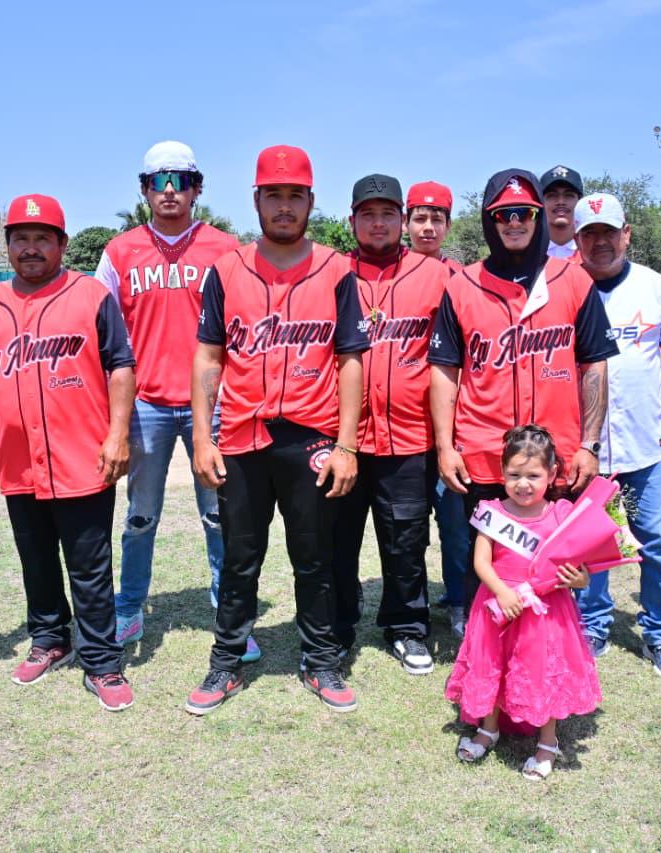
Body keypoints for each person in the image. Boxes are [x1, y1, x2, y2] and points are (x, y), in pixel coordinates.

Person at [184, 145, 368, 715]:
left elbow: (351, 360)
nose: (284, 207)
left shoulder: (337, 268)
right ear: (257, 200)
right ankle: (227, 660)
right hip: (242, 435)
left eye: (295, 196)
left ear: (311, 201)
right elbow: (208, 357)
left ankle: (320, 660)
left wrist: (346, 445)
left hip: (310, 436)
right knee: (240, 557)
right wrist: (201, 437)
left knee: (314, 555)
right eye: (273, 196)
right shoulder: (227, 268)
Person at [0, 194, 137, 708]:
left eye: (42, 238)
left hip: (82, 456)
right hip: (18, 457)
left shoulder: (92, 295)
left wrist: (117, 434)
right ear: (8, 245)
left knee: (89, 564)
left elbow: (121, 366)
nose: (30, 249)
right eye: (21, 239)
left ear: (61, 244)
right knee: (34, 558)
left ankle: (101, 660)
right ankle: (50, 639)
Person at [428, 169, 617, 610]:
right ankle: (487, 658)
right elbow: (444, 372)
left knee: (553, 569)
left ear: (539, 217)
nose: (514, 222)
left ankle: (544, 660)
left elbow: (594, 364)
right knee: (488, 567)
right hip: (484, 457)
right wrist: (444, 447)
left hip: (555, 460)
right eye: (503, 214)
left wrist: (590, 444)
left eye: (524, 213)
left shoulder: (572, 280)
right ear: (489, 221)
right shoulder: (463, 285)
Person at [93, 142, 247, 656]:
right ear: (143, 190)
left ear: (197, 187)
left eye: (179, 181)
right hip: (147, 406)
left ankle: (229, 611)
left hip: (213, 404)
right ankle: (130, 607)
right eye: (157, 182)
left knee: (219, 513)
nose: (168, 192)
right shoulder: (119, 252)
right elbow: (101, 332)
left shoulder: (227, 249)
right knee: (141, 514)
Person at [569, 193, 661, 676]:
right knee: (593, 545)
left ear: (627, 234)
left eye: (608, 231)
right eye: (589, 233)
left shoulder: (655, 287)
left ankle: (660, 634)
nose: (600, 242)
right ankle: (592, 625)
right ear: (577, 240)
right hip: (588, 452)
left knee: (659, 544)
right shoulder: (565, 289)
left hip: (645, 448)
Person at [331, 174, 449, 674]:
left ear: (402, 219)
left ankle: (406, 626)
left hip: (409, 434)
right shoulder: (329, 274)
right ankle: (334, 627)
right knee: (335, 537)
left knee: (405, 538)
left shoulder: (436, 275)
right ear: (352, 219)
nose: (377, 222)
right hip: (342, 436)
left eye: (387, 213)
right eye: (367, 213)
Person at [444, 425, 600, 781]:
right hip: (498, 605)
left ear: (552, 474)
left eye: (533, 475)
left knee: (541, 672)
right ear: (502, 474)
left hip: (544, 613)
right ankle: (488, 728)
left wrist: (578, 579)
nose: (523, 483)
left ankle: (548, 741)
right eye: (514, 475)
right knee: (493, 666)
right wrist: (501, 591)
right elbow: (481, 562)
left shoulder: (561, 514)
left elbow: (582, 571)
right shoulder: (491, 512)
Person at [406, 180, 468, 637]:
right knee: (407, 528)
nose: (428, 227)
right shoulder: (382, 274)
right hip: (403, 427)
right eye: (420, 218)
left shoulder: (461, 278)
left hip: (451, 425)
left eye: (437, 219)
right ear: (407, 223)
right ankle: (411, 606)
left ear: (447, 226)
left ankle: (460, 600)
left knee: (455, 525)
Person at [540, 165, 583, 260]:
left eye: (568, 195)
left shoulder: (591, 255)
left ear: (580, 202)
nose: (560, 202)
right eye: (552, 195)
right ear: (541, 203)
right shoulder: (528, 254)